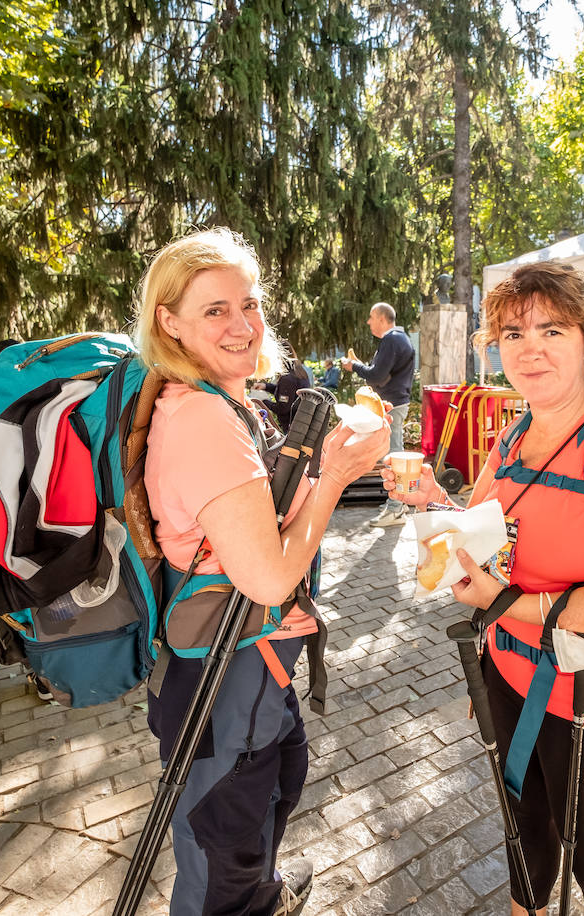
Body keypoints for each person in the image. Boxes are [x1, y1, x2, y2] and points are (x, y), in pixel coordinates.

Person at [387, 261, 584, 916]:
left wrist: (504, 604)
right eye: (513, 333)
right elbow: (491, 535)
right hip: (512, 677)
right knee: (525, 834)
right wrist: (433, 500)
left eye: (551, 330)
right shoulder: (514, 435)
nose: (530, 348)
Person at [135, 228, 388, 915]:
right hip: (219, 686)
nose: (243, 324)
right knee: (221, 859)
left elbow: (254, 542)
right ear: (170, 320)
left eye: (249, 304)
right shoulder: (201, 420)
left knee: (265, 803)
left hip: (249, 663)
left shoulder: (227, 403)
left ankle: (267, 895)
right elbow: (268, 576)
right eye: (215, 309)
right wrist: (335, 477)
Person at [341, 302, 415, 527]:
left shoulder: (392, 339)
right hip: (394, 403)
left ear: (382, 318)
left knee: (393, 456)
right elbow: (382, 375)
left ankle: (396, 508)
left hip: (392, 405)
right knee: (392, 454)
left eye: (371, 317)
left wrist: (353, 366)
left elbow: (376, 376)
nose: (368, 322)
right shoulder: (399, 338)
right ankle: (396, 505)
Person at [259, 350, 312, 430]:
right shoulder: (299, 372)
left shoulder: (287, 379)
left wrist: (263, 402)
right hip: (301, 424)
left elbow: (283, 408)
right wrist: (266, 386)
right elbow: (287, 393)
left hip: (292, 428)